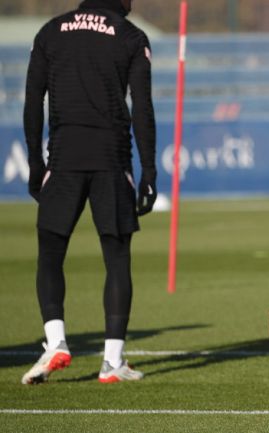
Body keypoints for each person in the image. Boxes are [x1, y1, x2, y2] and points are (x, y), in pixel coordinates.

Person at [21, 0, 156, 384]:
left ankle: (56, 341)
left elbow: (33, 102)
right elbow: (142, 107)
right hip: (112, 160)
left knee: (50, 253)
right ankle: (112, 362)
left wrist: (35, 162)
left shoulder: (50, 32)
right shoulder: (131, 36)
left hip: (62, 159)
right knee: (116, 258)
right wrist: (149, 170)